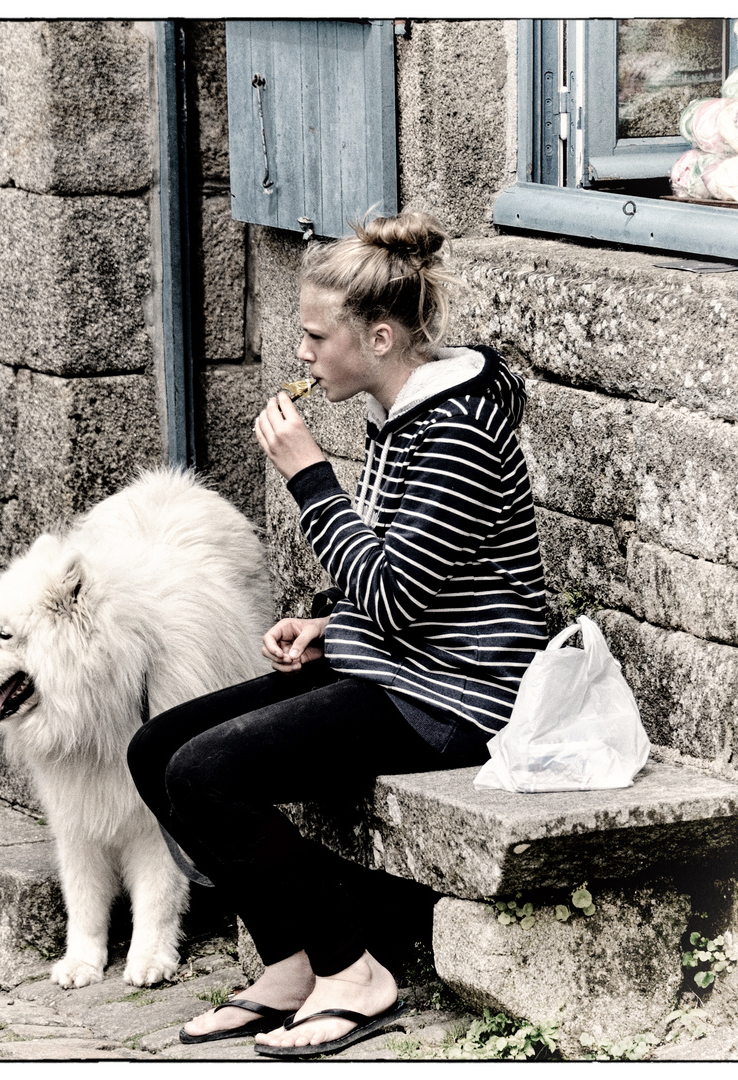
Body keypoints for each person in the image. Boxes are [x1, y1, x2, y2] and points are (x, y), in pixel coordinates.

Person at [126, 209, 549, 1060]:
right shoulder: (404, 414)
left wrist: (310, 477)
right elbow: (408, 581)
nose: (304, 355)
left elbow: (396, 598)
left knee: (209, 772)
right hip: (399, 662)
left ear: (382, 336)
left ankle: (354, 968)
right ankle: (289, 963)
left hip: (459, 695)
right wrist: (329, 623)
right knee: (154, 750)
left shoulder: (459, 428)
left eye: (318, 336)